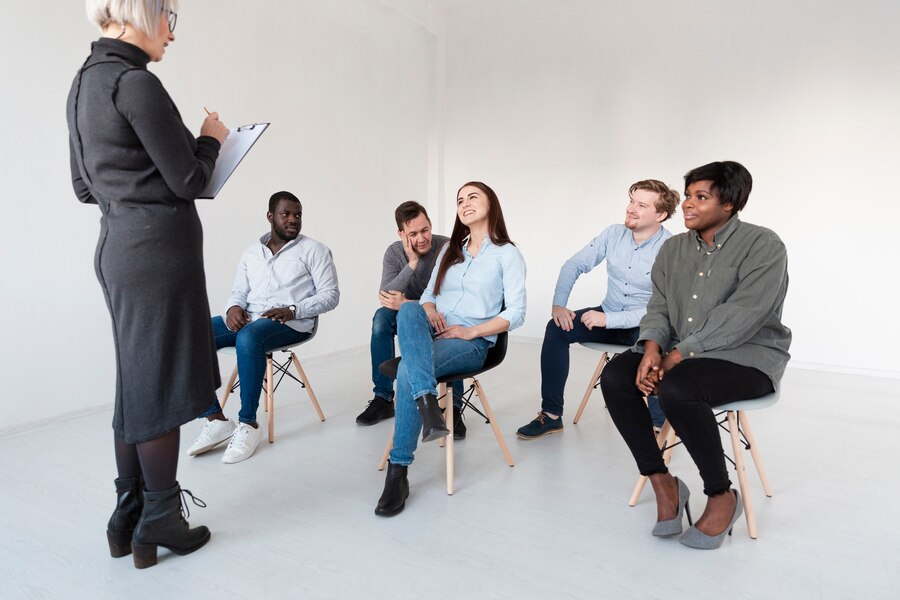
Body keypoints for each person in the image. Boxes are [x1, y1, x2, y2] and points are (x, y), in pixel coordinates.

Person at [67, 0, 229, 568]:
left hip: (117, 249)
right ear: (141, 13)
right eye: (170, 20)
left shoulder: (82, 85)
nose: (171, 35)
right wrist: (211, 140)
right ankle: (161, 515)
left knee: (137, 380)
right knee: (157, 382)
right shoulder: (136, 84)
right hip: (159, 254)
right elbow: (189, 178)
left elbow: (84, 190)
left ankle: (128, 512)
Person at [599, 161, 791, 549]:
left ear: (731, 203)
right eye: (688, 195)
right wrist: (652, 348)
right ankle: (662, 481)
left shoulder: (764, 245)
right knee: (617, 376)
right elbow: (660, 306)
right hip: (680, 352)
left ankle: (722, 495)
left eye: (701, 197)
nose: (687, 204)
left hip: (748, 357)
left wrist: (677, 356)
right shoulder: (673, 249)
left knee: (678, 387)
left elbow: (742, 315)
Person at [375, 182, 527, 517]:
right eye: (460, 199)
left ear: (492, 202)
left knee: (405, 370)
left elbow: (516, 313)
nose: (465, 203)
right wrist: (429, 309)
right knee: (410, 308)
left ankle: (398, 472)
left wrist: (470, 330)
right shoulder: (450, 250)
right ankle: (428, 401)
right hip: (431, 331)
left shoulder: (507, 254)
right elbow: (428, 294)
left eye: (473, 196)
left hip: (470, 341)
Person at [516, 180, 680, 439]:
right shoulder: (613, 233)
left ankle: (659, 427)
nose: (631, 209)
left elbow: (666, 308)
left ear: (660, 215)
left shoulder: (672, 248)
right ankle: (551, 416)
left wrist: (609, 319)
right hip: (608, 314)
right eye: (631, 201)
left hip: (646, 326)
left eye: (641, 205)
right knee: (556, 329)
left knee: (660, 343)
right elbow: (573, 265)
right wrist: (559, 305)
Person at [188, 191, 340, 463]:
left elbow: (331, 296)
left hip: (291, 322)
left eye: (298, 215)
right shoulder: (251, 254)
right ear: (270, 216)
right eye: (286, 214)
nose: (293, 220)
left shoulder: (314, 250)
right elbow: (238, 292)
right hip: (251, 319)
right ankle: (214, 418)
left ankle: (248, 424)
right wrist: (233, 308)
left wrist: (292, 309)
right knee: (193, 334)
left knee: (248, 338)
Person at [357, 201, 466, 438]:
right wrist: (412, 263)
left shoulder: (447, 247)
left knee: (448, 322)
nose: (422, 238)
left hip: (439, 314)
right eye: (413, 234)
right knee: (380, 319)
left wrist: (407, 303)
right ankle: (384, 397)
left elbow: (452, 300)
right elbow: (386, 295)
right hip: (406, 314)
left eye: (425, 230)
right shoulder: (394, 252)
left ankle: (454, 407)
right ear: (401, 234)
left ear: (430, 224)